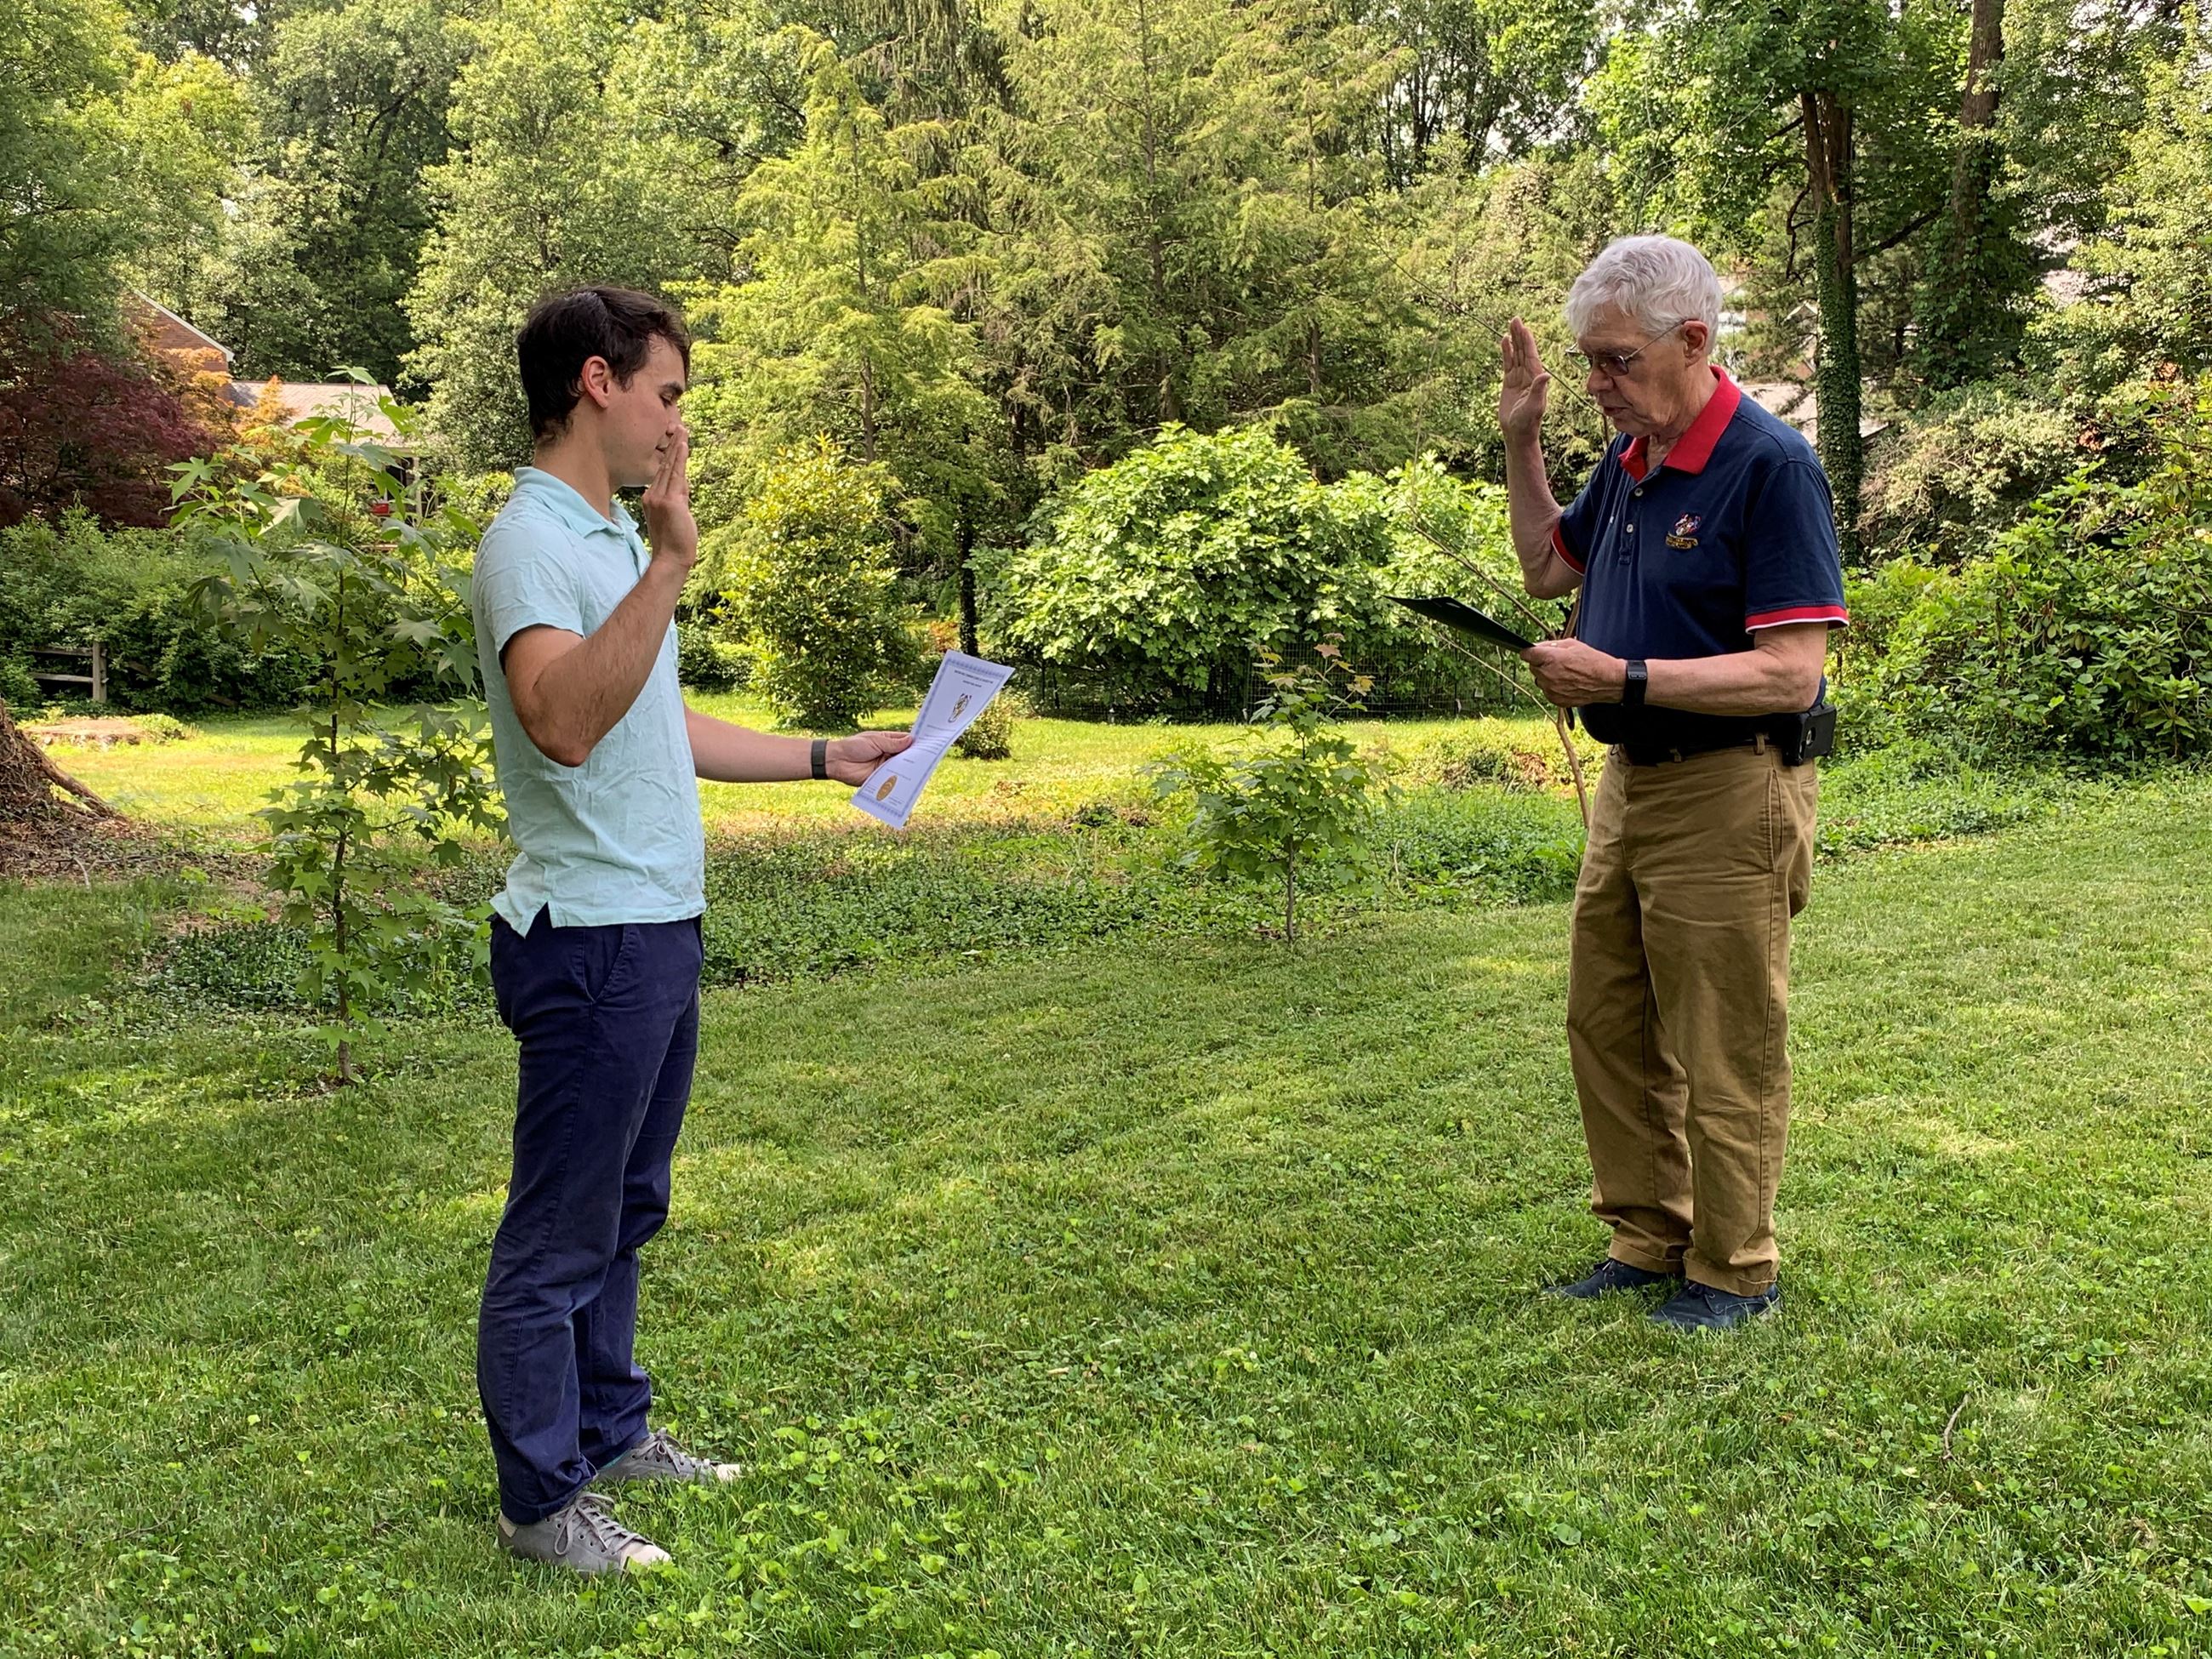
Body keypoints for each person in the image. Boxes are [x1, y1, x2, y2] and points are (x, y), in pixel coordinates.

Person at [470, 285, 911, 1573]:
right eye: (667, 395)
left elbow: (653, 715)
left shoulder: (610, 536)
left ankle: (609, 1433)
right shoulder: (529, 541)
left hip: (656, 925)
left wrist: (825, 755)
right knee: (558, 1234)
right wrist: (670, 564)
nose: (678, 424)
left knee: (626, 1208)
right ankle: (541, 1504)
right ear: (596, 382)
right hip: (590, 935)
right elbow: (563, 719)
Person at [1497, 237, 1848, 1332]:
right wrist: (1520, 441)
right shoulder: (1631, 462)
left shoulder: (1768, 464)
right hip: (1631, 783)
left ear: (1693, 340)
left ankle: (1734, 1268)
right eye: (1587, 364)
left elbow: (1791, 672)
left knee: (1721, 1038)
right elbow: (1546, 568)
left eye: (1615, 361)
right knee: (1607, 1018)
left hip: (1730, 789)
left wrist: (1624, 677)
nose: (1597, 385)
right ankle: (1647, 1237)